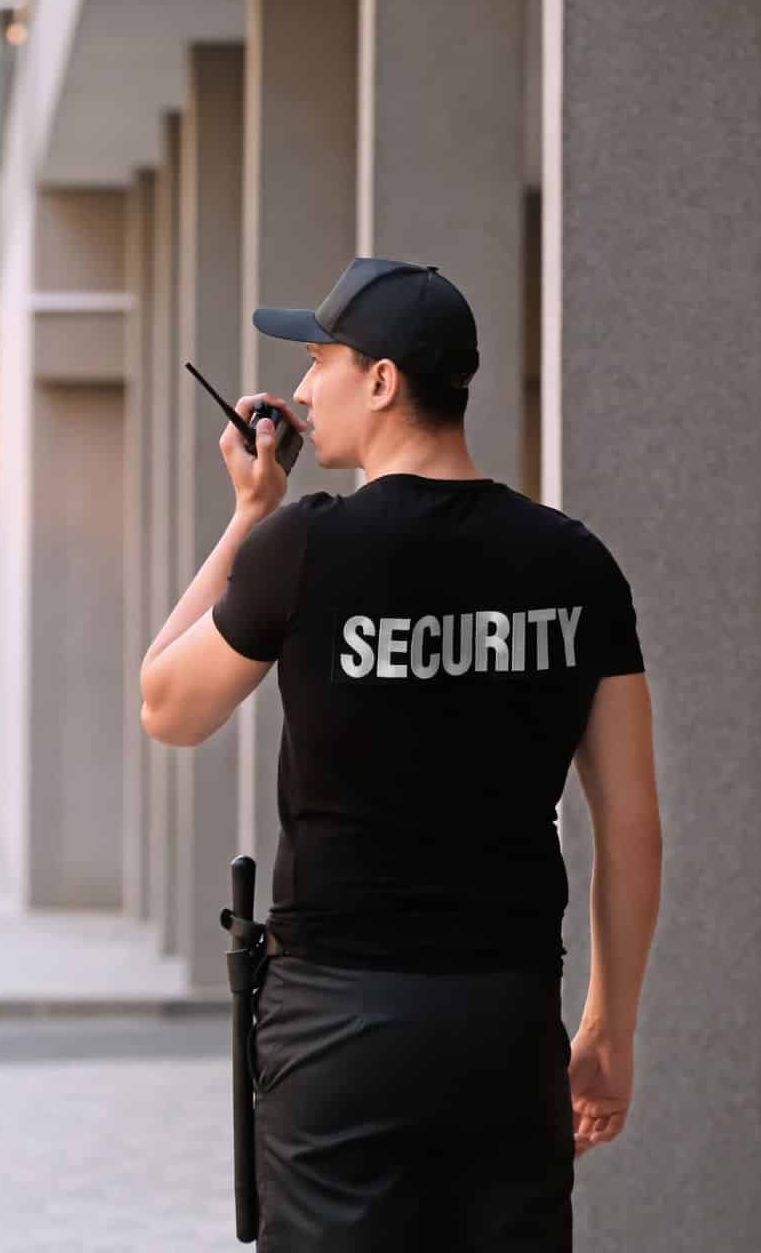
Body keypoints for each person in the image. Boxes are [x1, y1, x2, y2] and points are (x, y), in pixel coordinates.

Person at [138, 257, 662, 1251]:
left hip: (340, 1025)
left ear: (381, 381)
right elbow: (632, 825)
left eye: (317, 359)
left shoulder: (305, 547)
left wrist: (251, 513)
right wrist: (608, 1026)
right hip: (506, 1019)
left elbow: (166, 703)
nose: (297, 390)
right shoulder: (574, 561)